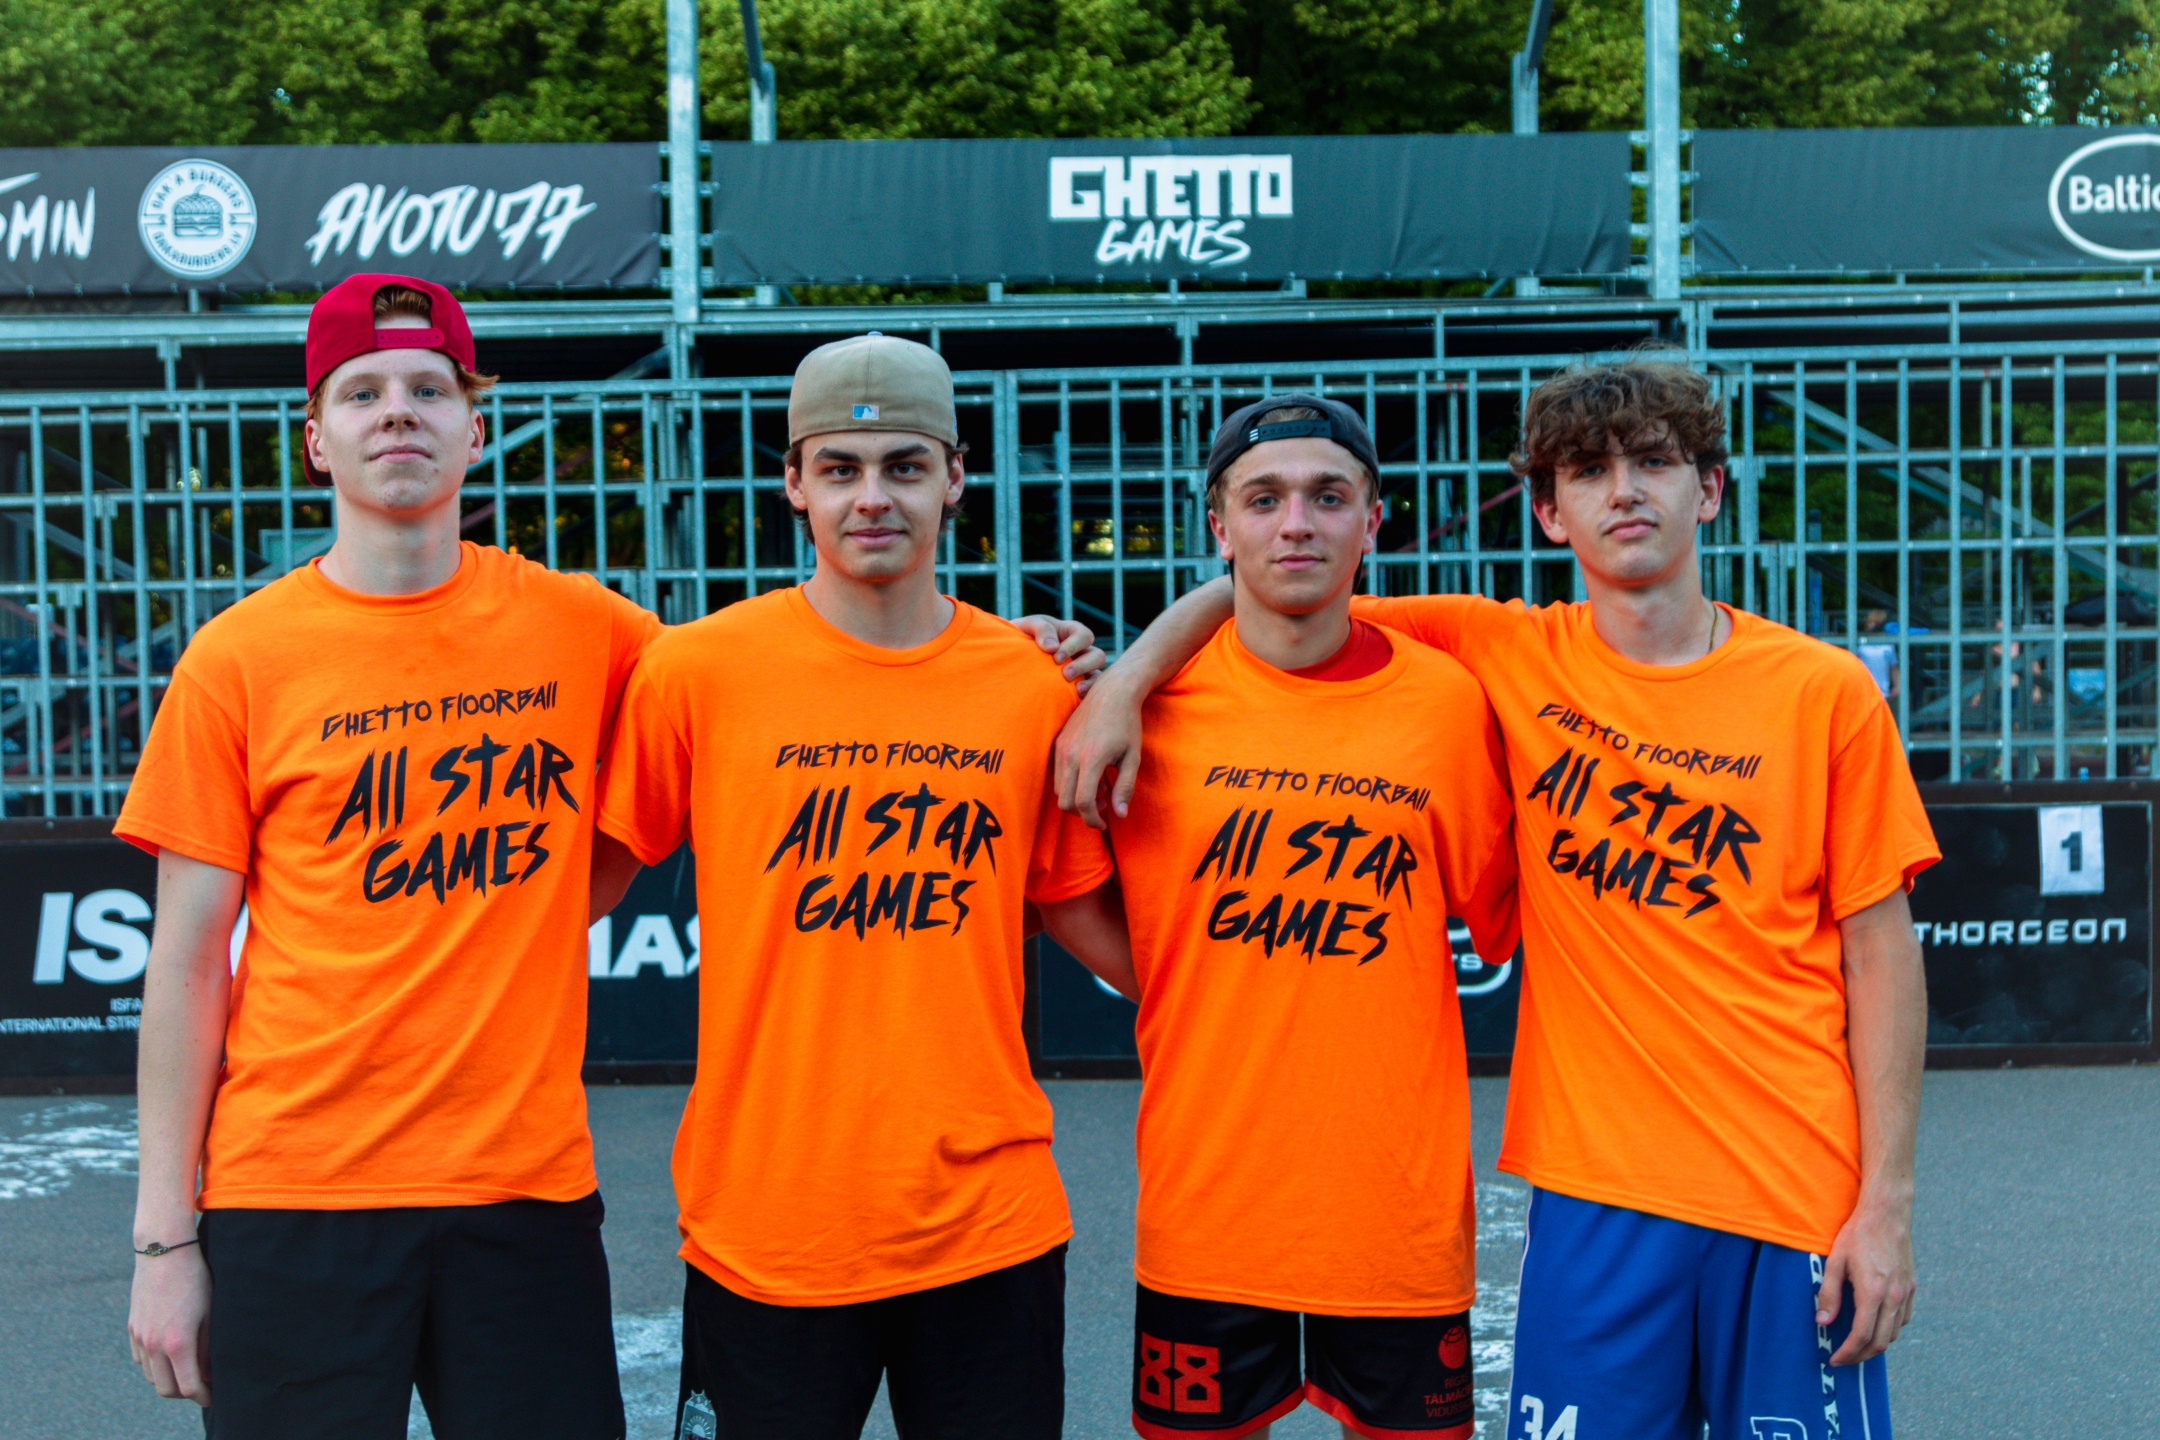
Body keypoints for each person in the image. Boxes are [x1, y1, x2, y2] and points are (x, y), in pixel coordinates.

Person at [118, 287, 1098, 1439]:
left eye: (430, 388)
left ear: (476, 427)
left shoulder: (591, 630)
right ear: (315, 438)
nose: (399, 413)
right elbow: (186, 963)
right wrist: (163, 1240)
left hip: (522, 1191)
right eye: (362, 393)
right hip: (292, 1185)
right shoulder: (234, 660)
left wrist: (1035, 658)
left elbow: (812, 667)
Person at [1059, 358, 1939, 1440]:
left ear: (1709, 489)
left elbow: (1881, 952)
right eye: (1589, 471)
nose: (1625, 491)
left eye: (1655, 463)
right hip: (1592, 1192)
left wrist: (1886, 1204)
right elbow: (1276, 586)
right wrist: (1126, 678)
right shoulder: (1503, 650)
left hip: (1793, 1184)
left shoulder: (1823, 692)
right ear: (1549, 512)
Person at [595, 333, 1131, 1440]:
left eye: (905, 465)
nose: (872, 497)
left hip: (987, 1224)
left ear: (956, 477)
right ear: (794, 483)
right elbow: (568, 894)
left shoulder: (1032, 685)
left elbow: (1078, 915)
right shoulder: (696, 672)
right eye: (840, 468)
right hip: (766, 1224)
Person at [1101, 397, 1518, 1440]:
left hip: (1393, 1217)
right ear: (1219, 526)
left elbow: (1507, 912)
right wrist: (1180, 983)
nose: (1296, 523)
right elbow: (1062, 887)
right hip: (1208, 1208)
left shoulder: (1448, 702)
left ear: (1372, 522)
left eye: (1328, 497)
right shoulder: (1142, 708)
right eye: (1264, 499)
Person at [1858, 608, 1900, 701]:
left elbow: (1893, 667)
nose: (1871, 625)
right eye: (1869, 622)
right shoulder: (1859, 643)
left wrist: (1897, 686)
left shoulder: (1888, 644)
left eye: (1875, 622)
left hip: (1883, 693)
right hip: (1863, 693)